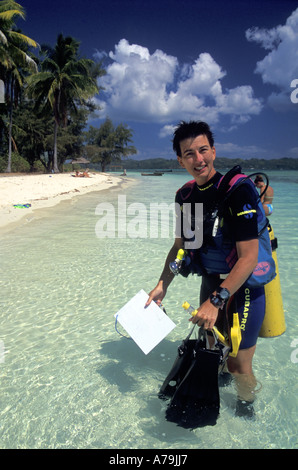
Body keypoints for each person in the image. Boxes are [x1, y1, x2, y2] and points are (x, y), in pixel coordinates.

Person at [146, 121, 268, 418]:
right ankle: (221, 384)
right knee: (213, 351)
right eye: (189, 154)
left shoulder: (238, 191)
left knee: (238, 363)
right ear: (180, 160)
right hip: (212, 282)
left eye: (203, 150)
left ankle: (246, 409)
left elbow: (249, 257)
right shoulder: (184, 196)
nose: (198, 159)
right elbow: (180, 246)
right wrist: (163, 285)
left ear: (213, 151)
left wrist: (216, 301)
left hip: (244, 287)